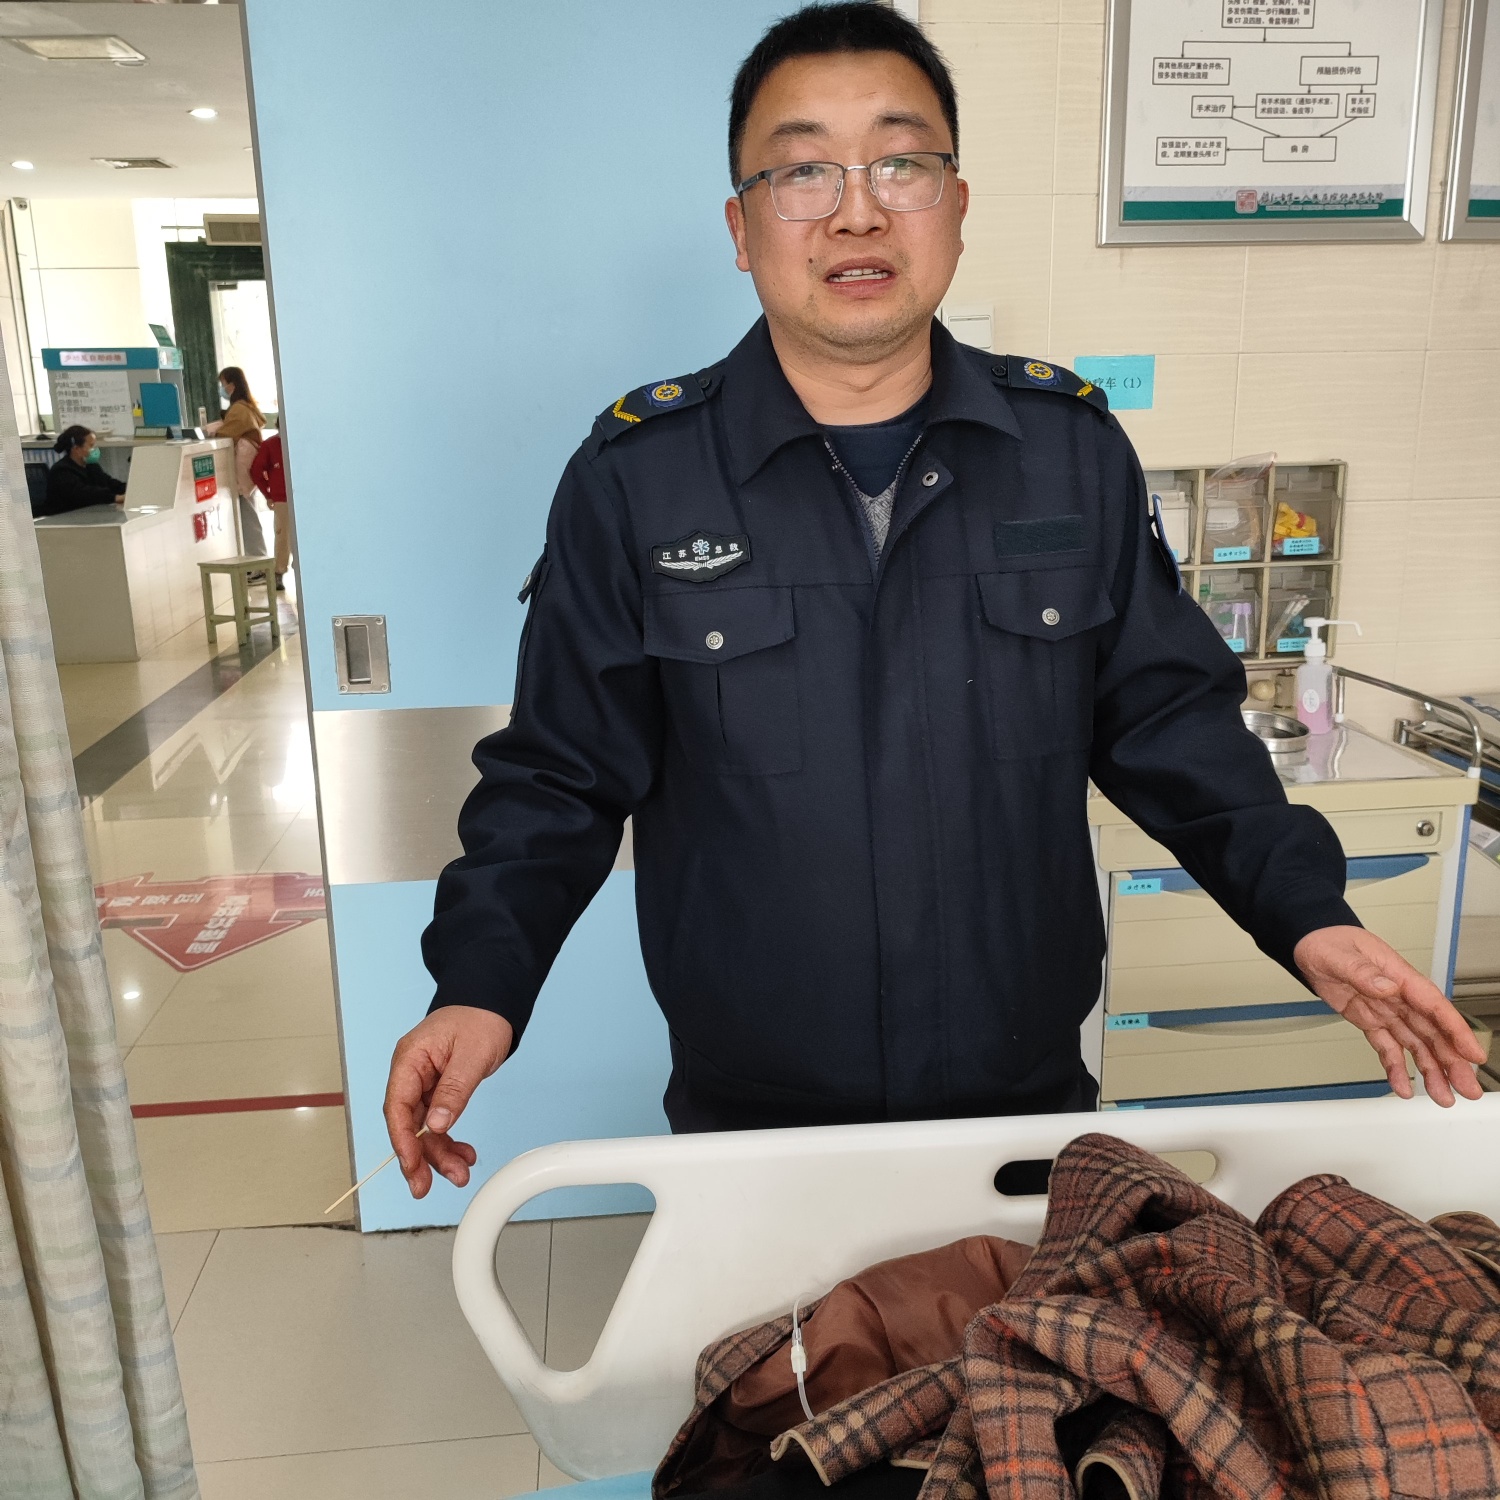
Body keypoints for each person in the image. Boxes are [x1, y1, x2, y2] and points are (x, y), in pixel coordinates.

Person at [385, 2, 1484, 1198]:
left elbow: (1173, 729)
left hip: (1021, 1113)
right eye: (803, 170)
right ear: (741, 228)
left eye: (900, 163)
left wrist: (1307, 913)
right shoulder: (637, 480)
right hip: (751, 1128)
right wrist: (480, 985)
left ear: (956, 205)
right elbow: (560, 775)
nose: (857, 211)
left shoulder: (1067, 455)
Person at [205, 365, 268, 559]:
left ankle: (256, 559)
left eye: (223, 383)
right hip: (248, 467)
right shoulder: (246, 406)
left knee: (247, 514)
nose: (222, 388)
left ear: (231, 385)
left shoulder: (239, 409)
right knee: (247, 510)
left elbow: (227, 433)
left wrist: (212, 431)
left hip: (241, 467)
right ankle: (255, 559)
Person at [36, 426, 127, 517]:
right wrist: (115, 497)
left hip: (87, 515)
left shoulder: (91, 466)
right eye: (91, 446)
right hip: (65, 518)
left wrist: (129, 489)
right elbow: (83, 494)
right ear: (77, 449)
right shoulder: (61, 471)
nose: (95, 449)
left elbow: (109, 483)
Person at [248, 427, 292, 591]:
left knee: (302, 536)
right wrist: (268, 493)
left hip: (304, 497)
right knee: (283, 535)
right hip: (282, 498)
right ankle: (279, 571)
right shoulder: (270, 445)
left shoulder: (303, 441)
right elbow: (256, 471)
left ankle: (304, 570)